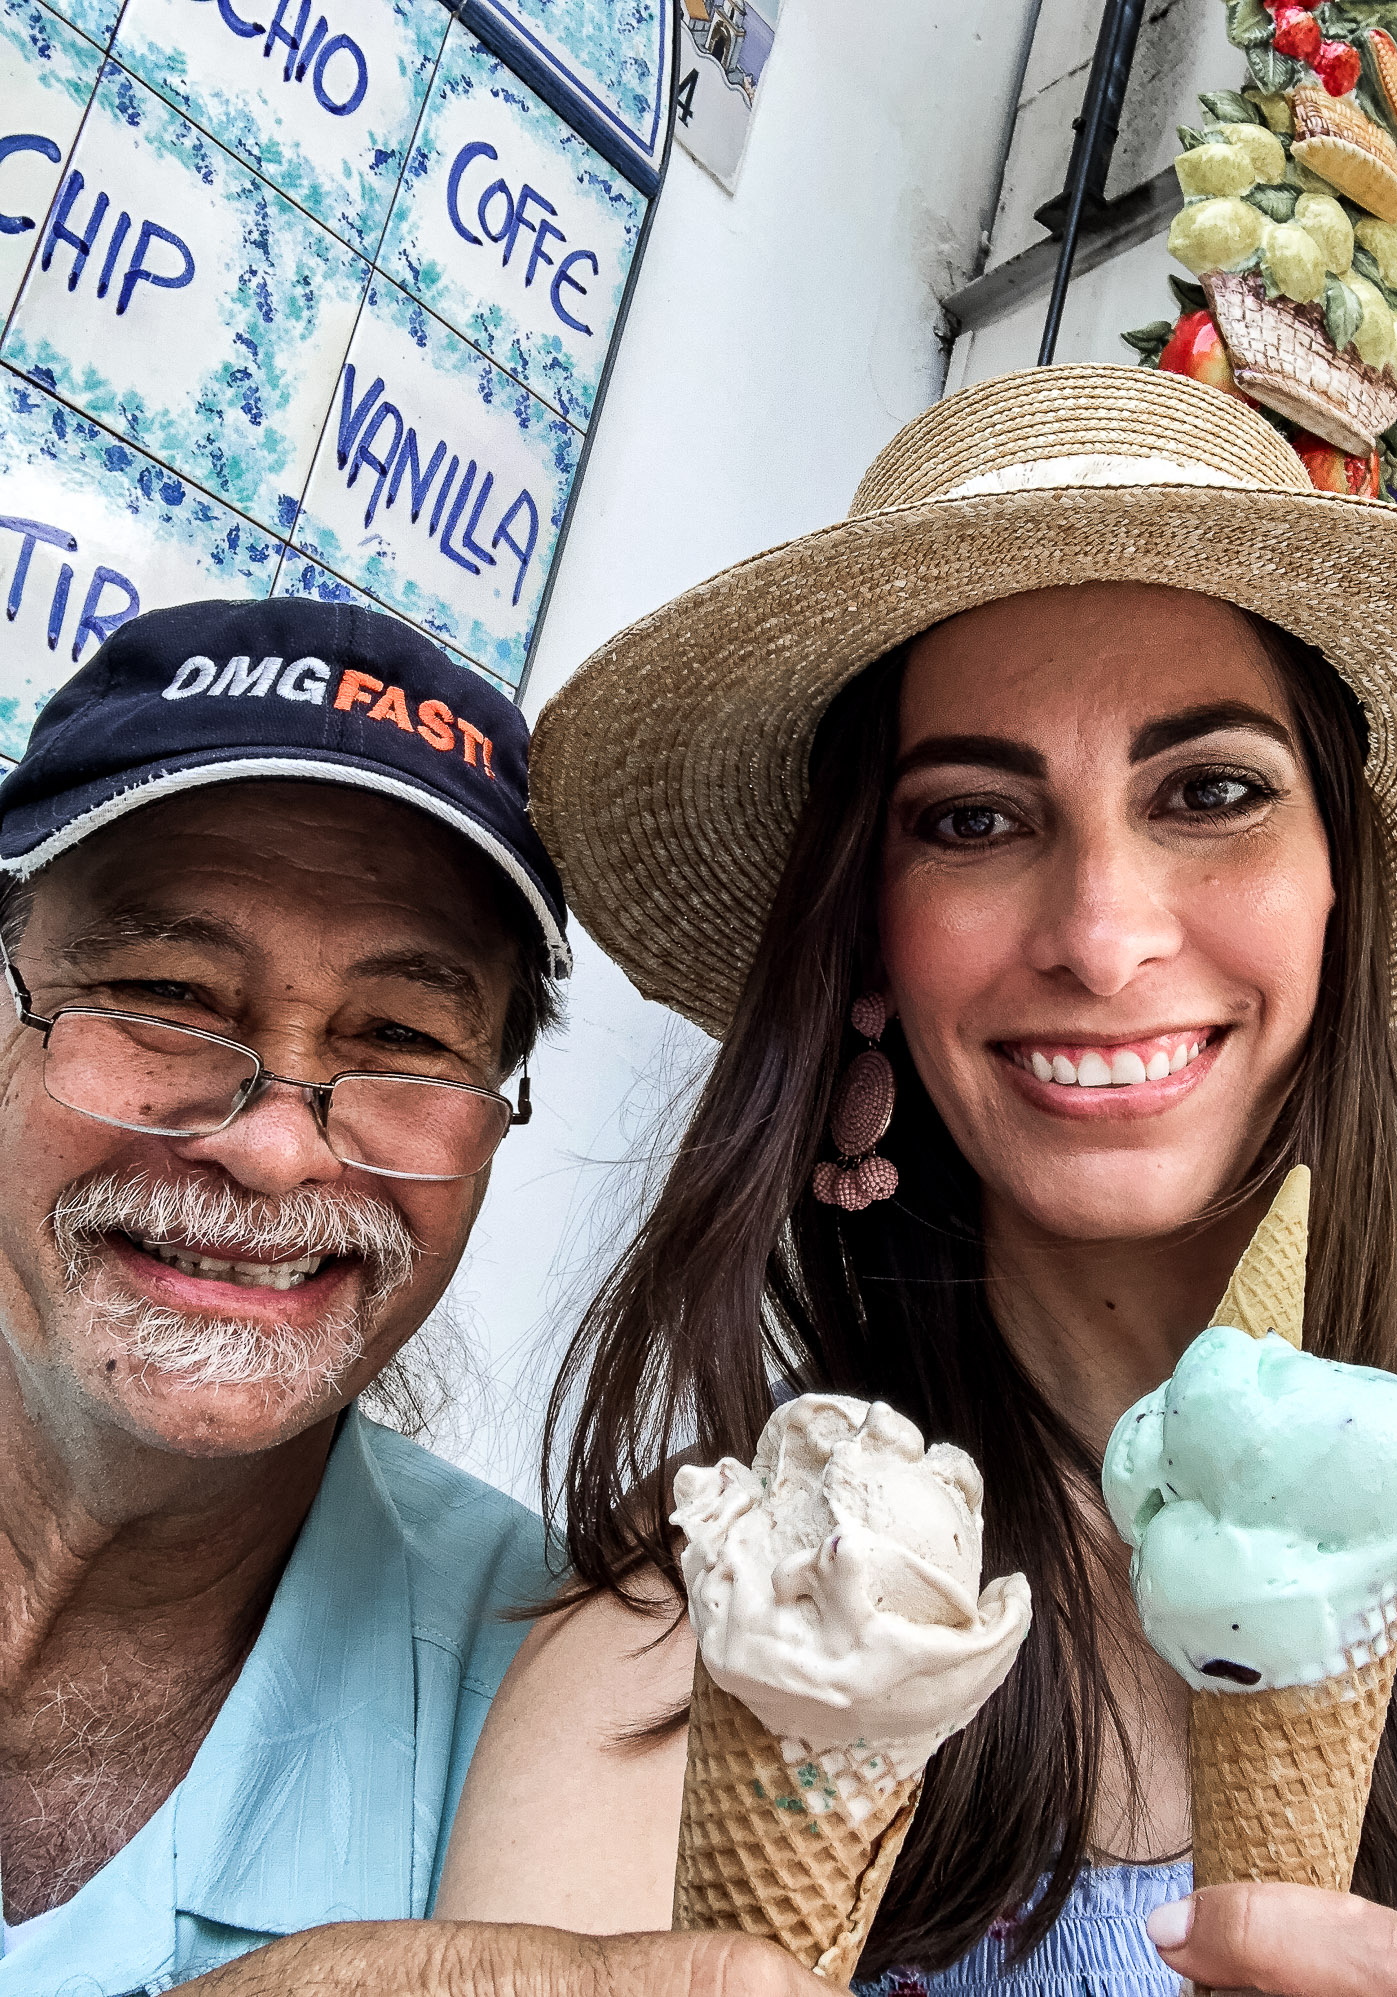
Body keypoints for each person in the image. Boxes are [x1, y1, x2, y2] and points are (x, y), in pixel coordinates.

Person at [436, 365, 1397, 1997]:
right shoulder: (726, 1619)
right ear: (866, 935)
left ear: (1338, 882)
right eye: (977, 818)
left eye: (1210, 791)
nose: (1102, 932)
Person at [0, 598, 815, 1997]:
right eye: (165, 991)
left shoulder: (568, 1701)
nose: (274, 1146)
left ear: (496, 1116)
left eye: (401, 1037)